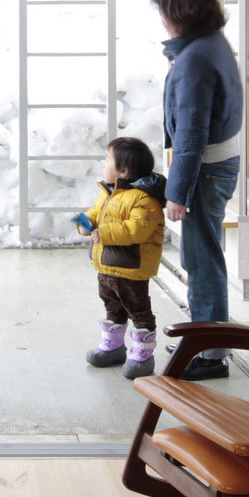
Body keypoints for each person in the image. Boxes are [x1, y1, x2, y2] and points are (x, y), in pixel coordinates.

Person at [152, 0, 244, 381]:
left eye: (164, 12)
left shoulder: (196, 59)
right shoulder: (209, 45)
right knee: (204, 254)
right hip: (216, 162)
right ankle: (202, 336)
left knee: (202, 259)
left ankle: (210, 353)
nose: (161, 20)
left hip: (205, 168)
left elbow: (191, 135)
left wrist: (177, 192)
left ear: (180, 12)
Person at [78, 137, 168, 379]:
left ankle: (143, 355)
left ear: (124, 170)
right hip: (107, 266)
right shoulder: (109, 193)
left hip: (131, 268)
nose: (102, 165)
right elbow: (96, 213)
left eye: (107, 160)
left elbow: (136, 230)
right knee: (111, 305)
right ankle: (113, 346)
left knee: (138, 310)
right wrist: (86, 223)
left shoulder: (144, 200)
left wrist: (103, 233)